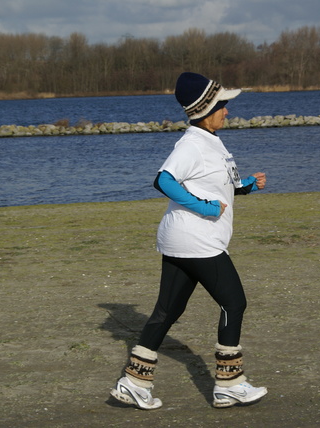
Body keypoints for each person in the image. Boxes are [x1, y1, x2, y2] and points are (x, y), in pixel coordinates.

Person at [110, 72, 268, 410]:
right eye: (223, 105)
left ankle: (134, 382)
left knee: (168, 311)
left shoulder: (211, 140)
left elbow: (217, 184)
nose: (228, 111)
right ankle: (229, 384)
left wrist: (247, 185)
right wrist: (205, 208)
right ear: (207, 109)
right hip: (198, 240)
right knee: (234, 303)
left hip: (179, 240)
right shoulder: (192, 143)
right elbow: (163, 180)